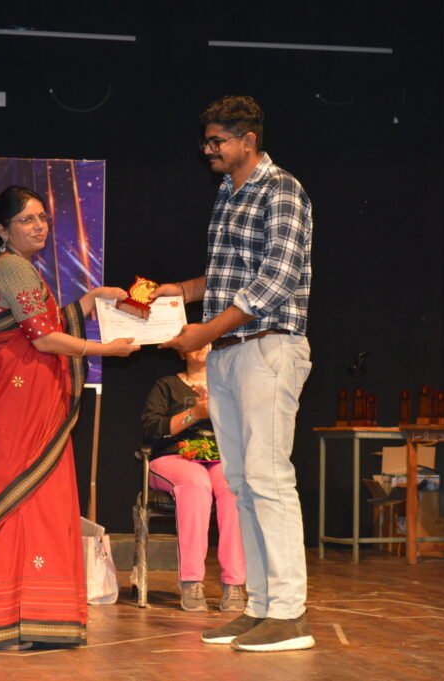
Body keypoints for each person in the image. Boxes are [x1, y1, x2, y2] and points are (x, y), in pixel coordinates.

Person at [0, 185, 139, 650]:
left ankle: (34, 618)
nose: (39, 225)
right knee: (10, 508)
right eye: (27, 219)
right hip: (15, 411)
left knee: (38, 508)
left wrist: (92, 299)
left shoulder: (21, 268)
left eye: (43, 217)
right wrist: (103, 349)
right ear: (3, 230)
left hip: (31, 410)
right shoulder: (10, 266)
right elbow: (45, 340)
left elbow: (45, 327)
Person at [154, 95, 315, 652]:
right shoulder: (228, 192)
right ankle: (261, 607)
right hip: (228, 352)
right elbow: (228, 274)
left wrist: (205, 331)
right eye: (206, 140)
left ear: (249, 140)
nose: (209, 150)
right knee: (242, 483)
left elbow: (277, 278)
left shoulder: (282, 189)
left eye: (217, 140)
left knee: (269, 479)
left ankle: (290, 613)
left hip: (267, 348)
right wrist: (180, 291)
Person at [141, 344, 245, 612]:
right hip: (174, 458)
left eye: (208, 341)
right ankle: (191, 581)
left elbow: (244, 429)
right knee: (196, 484)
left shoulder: (227, 386)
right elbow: (151, 430)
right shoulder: (166, 386)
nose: (203, 346)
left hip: (218, 458)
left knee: (233, 487)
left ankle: (234, 583)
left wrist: (219, 410)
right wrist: (194, 414)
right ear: (182, 352)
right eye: (196, 342)